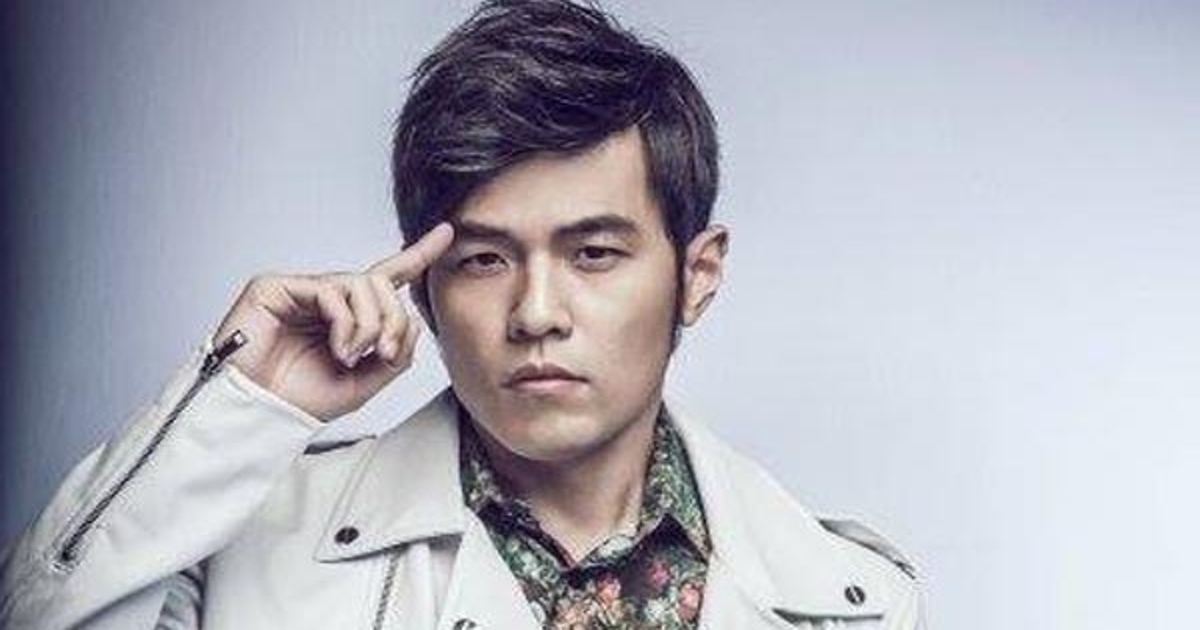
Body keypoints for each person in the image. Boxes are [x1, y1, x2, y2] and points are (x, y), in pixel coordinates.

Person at [1, 1, 923, 628]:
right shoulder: (247, 546)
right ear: (424, 287)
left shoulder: (853, 601)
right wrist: (239, 402)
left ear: (698, 274)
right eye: (484, 259)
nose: (536, 313)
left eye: (594, 254)